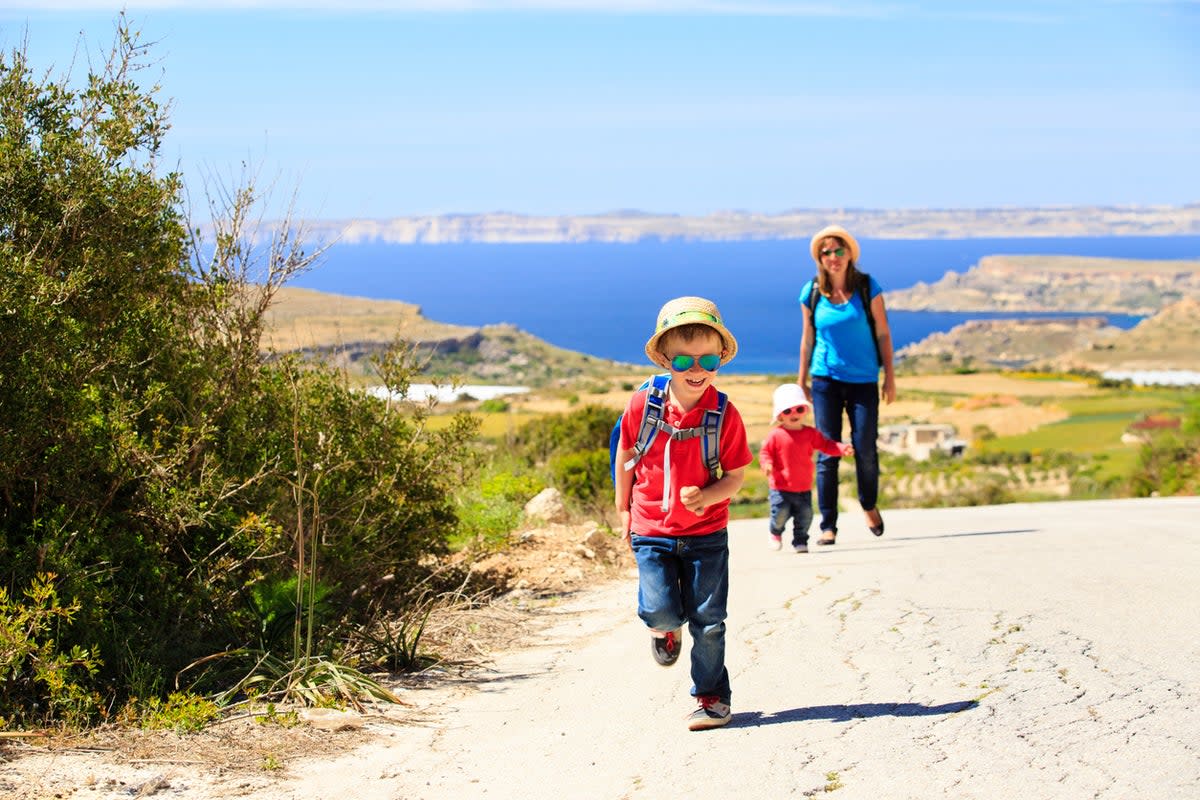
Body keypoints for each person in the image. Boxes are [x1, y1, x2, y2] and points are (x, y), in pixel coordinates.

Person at [614, 296, 752, 731]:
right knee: (660, 610)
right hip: (651, 528)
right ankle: (664, 629)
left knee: (709, 621)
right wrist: (622, 508)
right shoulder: (643, 406)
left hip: (706, 533)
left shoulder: (725, 415)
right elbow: (625, 454)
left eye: (708, 359)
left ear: (720, 361)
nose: (697, 369)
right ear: (666, 360)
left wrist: (709, 496)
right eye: (684, 360)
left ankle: (712, 698)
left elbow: (736, 477)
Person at [797, 224, 896, 545]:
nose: (833, 257)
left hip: (864, 379)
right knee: (828, 451)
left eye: (839, 250)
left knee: (865, 446)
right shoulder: (811, 292)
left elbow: (883, 332)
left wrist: (890, 377)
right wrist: (802, 380)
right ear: (820, 258)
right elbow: (808, 338)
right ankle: (828, 524)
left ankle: (868, 503)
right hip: (825, 378)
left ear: (850, 254)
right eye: (826, 252)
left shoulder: (868, 287)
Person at [759, 383, 854, 553]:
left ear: (806, 410)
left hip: (803, 487)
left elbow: (826, 445)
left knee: (805, 517)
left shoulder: (811, 434)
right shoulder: (776, 435)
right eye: (787, 411)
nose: (793, 414)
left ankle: (800, 541)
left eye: (799, 409)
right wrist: (767, 464)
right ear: (780, 416)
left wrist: (840, 448)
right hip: (780, 487)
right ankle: (775, 532)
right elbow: (765, 453)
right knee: (779, 515)